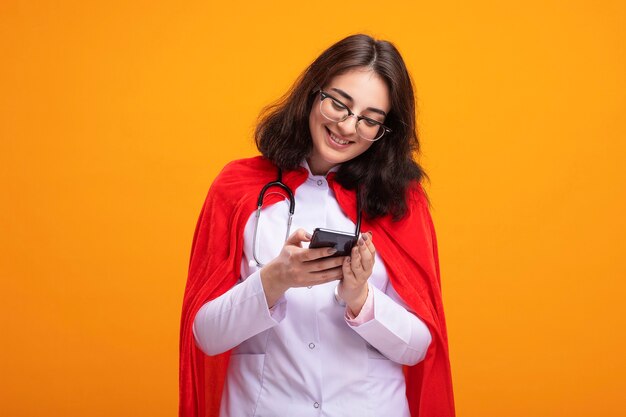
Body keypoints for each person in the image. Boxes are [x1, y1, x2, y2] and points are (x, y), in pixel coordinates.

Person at [179, 34, 455, 417]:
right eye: (339, 104)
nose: (348, 127)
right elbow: (206, 337)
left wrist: (360, 297)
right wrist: (274, 280)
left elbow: (419, 347)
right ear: (313, 91)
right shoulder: (237, 189)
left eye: (370, 120)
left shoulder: (400, 201)